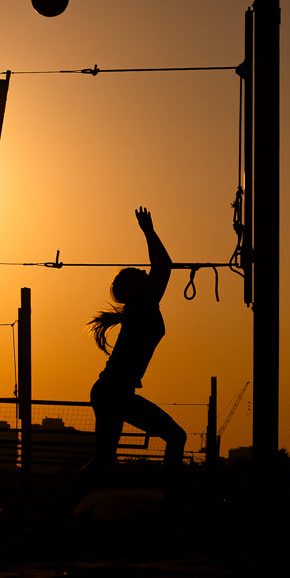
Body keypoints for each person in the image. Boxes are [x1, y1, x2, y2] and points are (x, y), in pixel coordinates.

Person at [65, 207, 186, 516]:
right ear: (138, 287)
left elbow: (159, 268)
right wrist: (148, 231)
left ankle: (64, 512)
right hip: (113, 392)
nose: (150, 277)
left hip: (110, 391)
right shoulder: (143, 306)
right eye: (144, 277)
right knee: (176, 436)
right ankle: (170, 509)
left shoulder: (139, 307)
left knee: (103, 459)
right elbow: (163, 265)